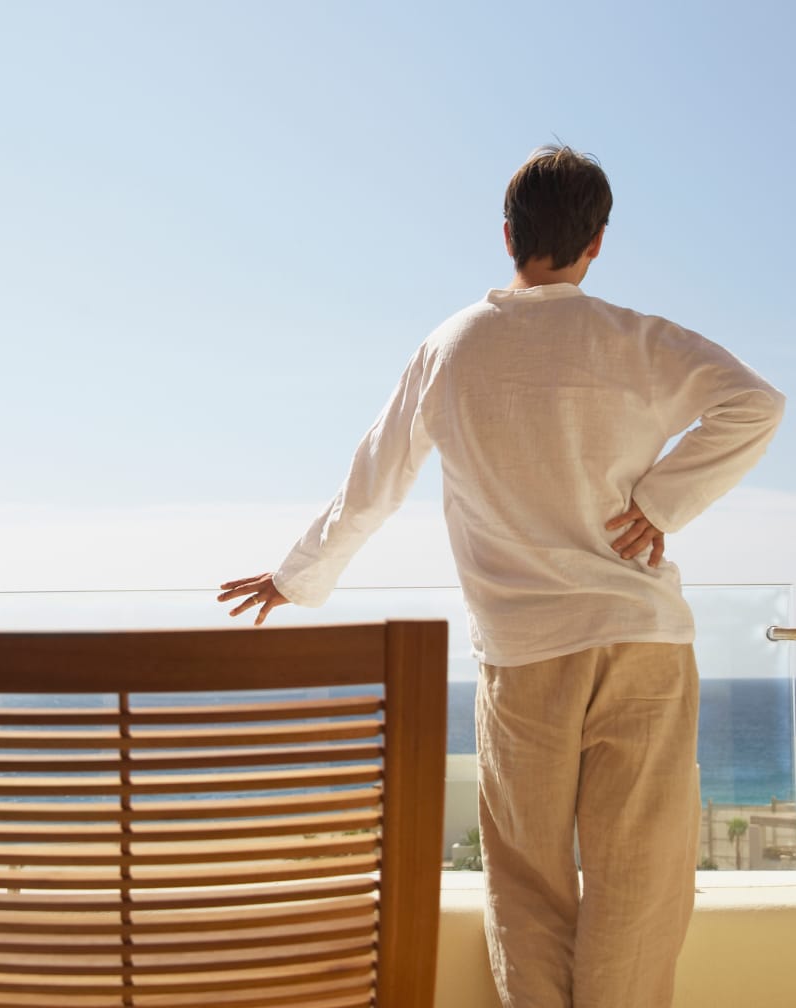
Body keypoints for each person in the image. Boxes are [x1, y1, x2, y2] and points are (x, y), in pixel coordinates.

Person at [217, 146, 785, 1008]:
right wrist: (663, 502)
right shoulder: (637, 338)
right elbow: (757, 402)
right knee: (639, 884)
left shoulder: (450, 348)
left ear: (508, 234)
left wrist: (295, 578)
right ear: (598, 242)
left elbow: (371, 485)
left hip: (523, 660)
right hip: (643, 643)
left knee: (526, 885)